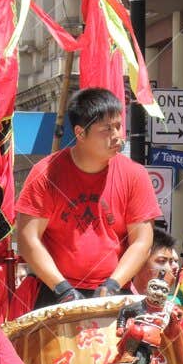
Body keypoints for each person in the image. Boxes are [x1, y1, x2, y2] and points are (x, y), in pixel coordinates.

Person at [13, 87, 156, 313]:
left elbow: (142, 241)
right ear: (80, 133)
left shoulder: (135, 174)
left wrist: (112, 285)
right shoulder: (45, 174)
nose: (117, 135)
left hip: (114, 293)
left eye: (118, 126)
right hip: (55, 293)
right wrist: (62, 289)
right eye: (106, 129)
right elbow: (28, 239)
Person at [130, 227, 180, 294]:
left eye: (170, 262)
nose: (169, 268)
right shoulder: (119, 301)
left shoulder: (173, 303)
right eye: (162, 261)